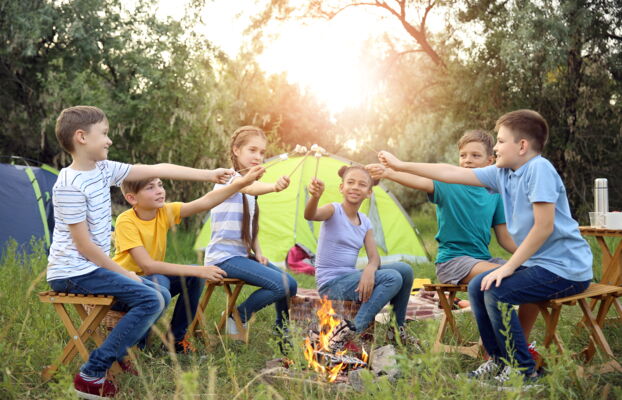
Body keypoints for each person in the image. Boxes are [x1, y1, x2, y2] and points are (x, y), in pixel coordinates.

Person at [378, 109, 593, 383]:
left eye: (501, 141)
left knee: (497, 291)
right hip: (544, 266)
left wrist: (508, 267)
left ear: (522, 146)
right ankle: (499, 360)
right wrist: (400, 165)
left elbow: (544, 227)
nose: (497, 147)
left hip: (566, 269)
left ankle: (522, 372)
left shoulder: (539, 169)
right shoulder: (503, 174)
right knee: (478, 286)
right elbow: (449, 172)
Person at [46, 105, 234, 399]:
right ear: (81, 137)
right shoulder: (68, 185)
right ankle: (91, 373)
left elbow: (159, 168)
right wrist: (126, 274)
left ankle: (123, 353)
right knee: (151, 297)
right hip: (72, 272)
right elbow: (84, 246)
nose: (109, 140)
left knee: (158, 295)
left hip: (91, 268)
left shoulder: (103, 170)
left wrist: (210, 174)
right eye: (104, 133)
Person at [367, 131, 540, 346]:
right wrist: (388, 172)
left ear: (490, 161)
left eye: (475, 156)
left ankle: (520, 346)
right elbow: (419, 181)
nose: (467, 160)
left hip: (481, 260)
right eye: (463, 155)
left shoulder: (495, 194)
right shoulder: (448, 183)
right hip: (453, 263)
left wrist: (533, 255)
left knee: (536, 276)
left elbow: (504, 238)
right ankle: (503, 350)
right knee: (506, 277)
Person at [112, 166, 264, 353]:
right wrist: (199, 270)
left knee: (190, 278)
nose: (159, 191)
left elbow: (205, 202)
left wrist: (241, 183)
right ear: (132, 198)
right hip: (125, 287)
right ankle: (137, 345)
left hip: (152, 281)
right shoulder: (125, 221)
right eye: (150, 188)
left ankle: (175, 341)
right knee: (163, 280)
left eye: (160, 185)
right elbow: (148, 266)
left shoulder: (164, 211)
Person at [304, 165, 415, 352]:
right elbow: (310, 215)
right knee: (392, 278)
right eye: (351, 182)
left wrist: (370, 270)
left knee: (405, 270)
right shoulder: (333, 210)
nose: (355, 187)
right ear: (342, 187)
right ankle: (351, 330)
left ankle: (397, 330)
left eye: (362, 184)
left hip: (349, 278)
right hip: (331, 285)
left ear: (369, 193)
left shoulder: (365, 221)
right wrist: (315, 197)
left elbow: (374, 257)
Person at [203, 126, 297, 340]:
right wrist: (274, 186)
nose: (258, 157)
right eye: (252, 150)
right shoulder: (228, 179)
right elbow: (247, 187)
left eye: (262, 152)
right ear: (236, 150)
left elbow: (251, 226)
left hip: (242, 255)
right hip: (223, 258)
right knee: (280, 285)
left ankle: (282, 329)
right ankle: (237, 315)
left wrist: (259, 252)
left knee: (291, 284)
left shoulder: (249, 187)